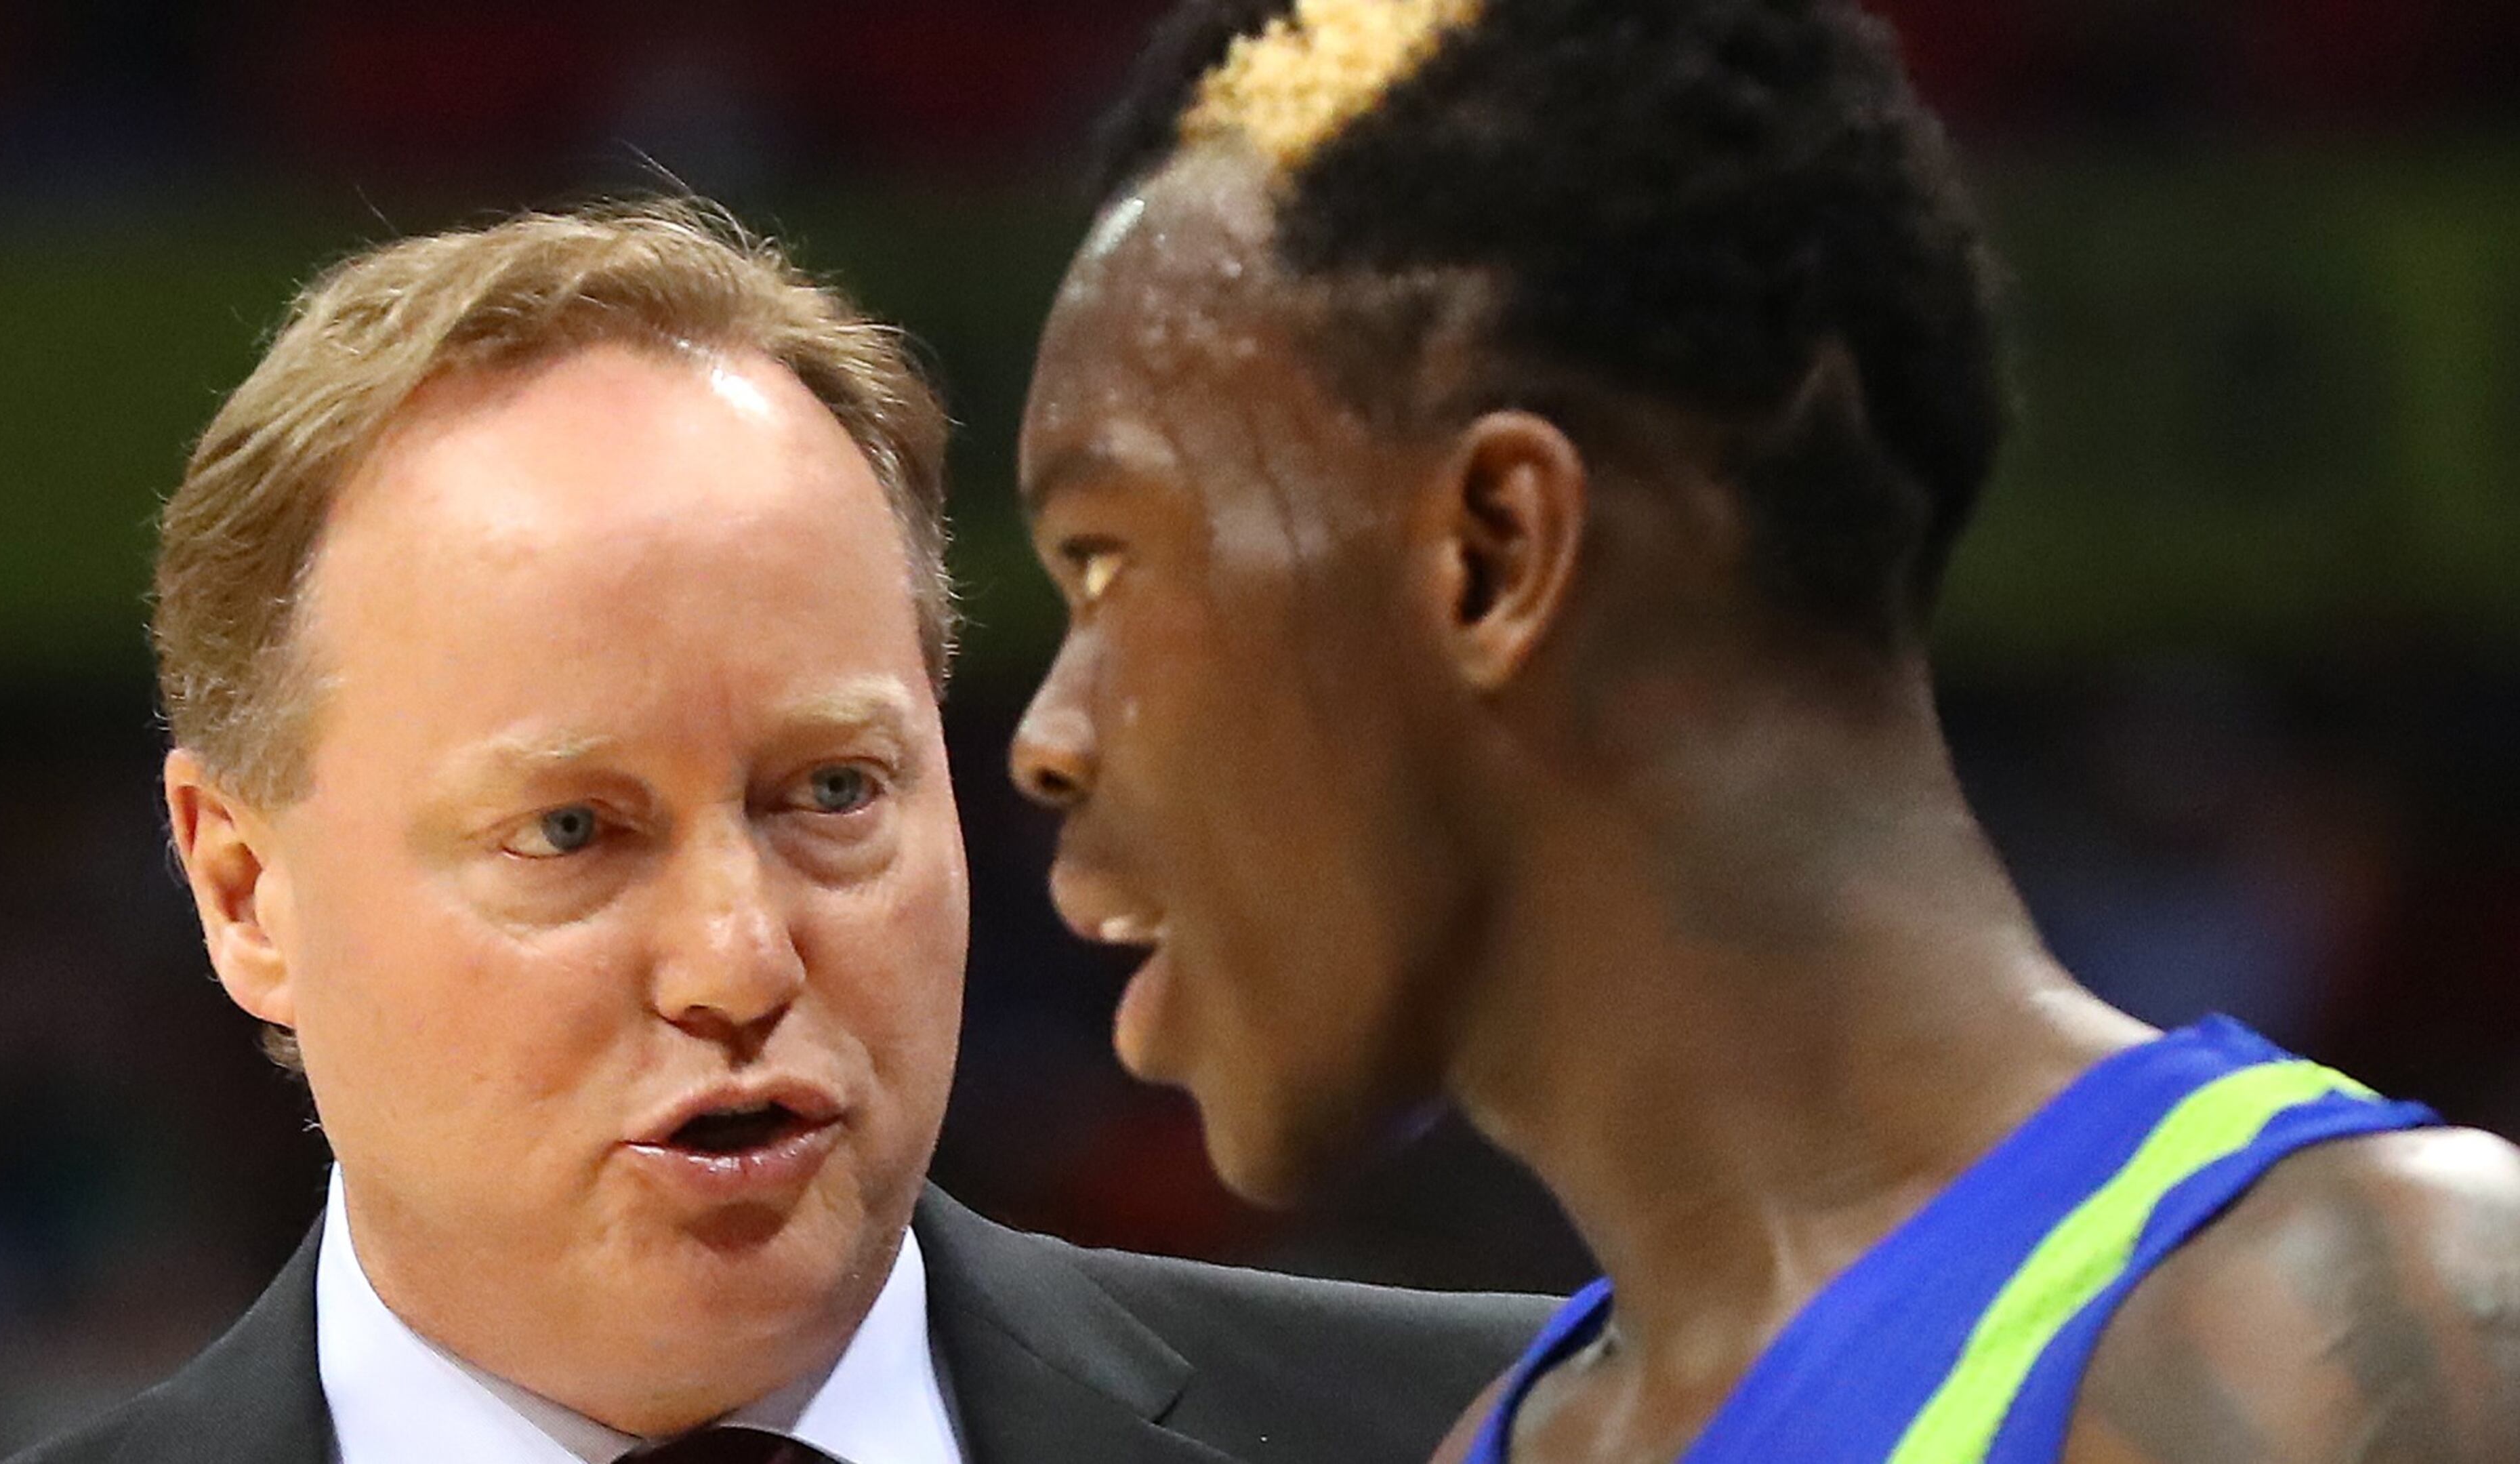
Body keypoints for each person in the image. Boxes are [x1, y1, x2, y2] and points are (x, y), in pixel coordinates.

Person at [1006, 1, 2520, 1460]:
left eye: (1107, 560)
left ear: (1490, 552)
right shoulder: (1493, 1438)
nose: (1047, 733)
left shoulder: (2370, 1329)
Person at [11, 202, 1550, 1464]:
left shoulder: (1536, 1441)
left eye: (832, 793)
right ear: (245, 892)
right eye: (571, 830)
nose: (740, 959)